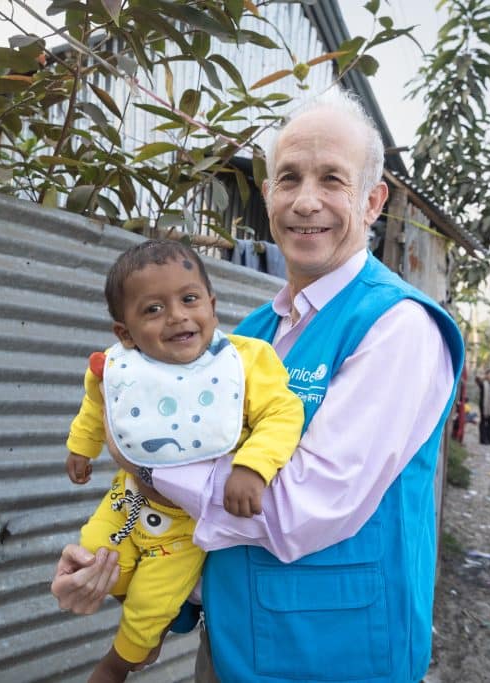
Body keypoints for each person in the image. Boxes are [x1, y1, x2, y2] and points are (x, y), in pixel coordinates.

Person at [51, 89, 464, 682]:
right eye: (289, 178)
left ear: (373, 202)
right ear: (268, 195)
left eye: (332, 180)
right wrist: (110, 564)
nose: (306, 201)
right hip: (233, 644)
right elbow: (197, 494)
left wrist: (144, 463)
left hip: (334, 656)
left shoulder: (397, 327)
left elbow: (301, 507)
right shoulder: (251, 333)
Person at [65, 240, 304, 681]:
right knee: (97, 558)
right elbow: (98, 405)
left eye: (189, 299)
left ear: (212, 306)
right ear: (125, 333)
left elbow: (283, 412)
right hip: (128, 500)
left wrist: (253, 466)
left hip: (184, 529)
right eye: (153, 309)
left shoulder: (246, 362)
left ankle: (120, 662)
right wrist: (81, 445)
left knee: (151, 603)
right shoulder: (117, 369)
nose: (177, 315)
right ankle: (145, 628)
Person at [475, 369, 490, 445]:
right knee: (483, 422)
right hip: (484, 405)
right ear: (487, 375)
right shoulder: (483, 383)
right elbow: (477, 378)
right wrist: (483, 377)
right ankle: (483, 439)